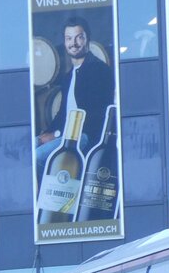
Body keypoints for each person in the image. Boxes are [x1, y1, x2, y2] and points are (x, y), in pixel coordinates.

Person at [35, 16, 115, 173]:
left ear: (87, 39)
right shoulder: (69, 76)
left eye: (79, 37)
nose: (74, 43)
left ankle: (50, 195)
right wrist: (44, 135)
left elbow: (98, 115)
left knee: (36, 157)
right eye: (68, 38)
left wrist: (57, 134)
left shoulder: (99, 70)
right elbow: (62, 113)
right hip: (67, 135)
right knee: (29, 147)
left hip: (86, 136)